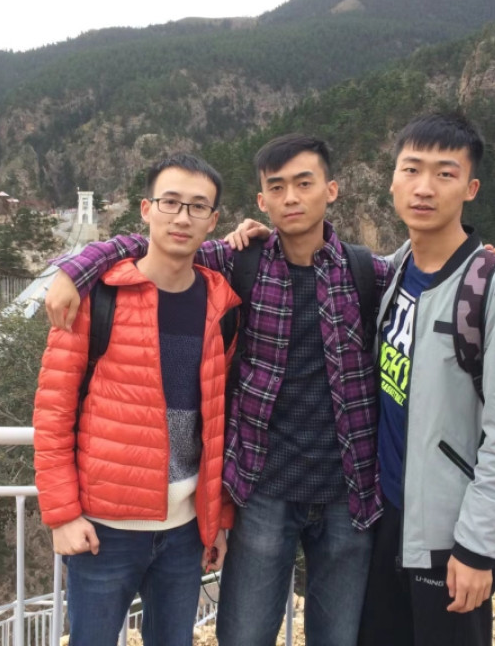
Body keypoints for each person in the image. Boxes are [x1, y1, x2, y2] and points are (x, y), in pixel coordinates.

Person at [45, 134, 393, 646]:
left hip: (348, 492)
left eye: (304, 184)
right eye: (278, 187)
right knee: (243, 637)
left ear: (332, 190)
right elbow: (159, 244)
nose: (292, 198)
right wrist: (73, 270)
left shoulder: (368, 272)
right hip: (262, 490)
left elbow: (429, 277)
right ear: (262, 201)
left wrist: (490, 265)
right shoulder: (241, 264)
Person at [33, 153, 239, 646]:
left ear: (213, 221)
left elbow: (221, 423)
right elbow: (53, 413)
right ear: (147, 209)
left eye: (197, 206)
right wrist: (63, 515)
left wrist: (217, 519)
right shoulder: (98, 298)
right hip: (104, 531)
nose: (182, 217)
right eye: (170, 202)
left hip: (186, 530)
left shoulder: (223, 307)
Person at [358, 113, 495, 646]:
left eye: (445, 173)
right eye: (411, 169)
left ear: (470, 188)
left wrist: (478, 548)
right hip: (385, 521)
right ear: (392, 180)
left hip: (448, 535)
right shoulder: (394, 272)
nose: (425, 187)